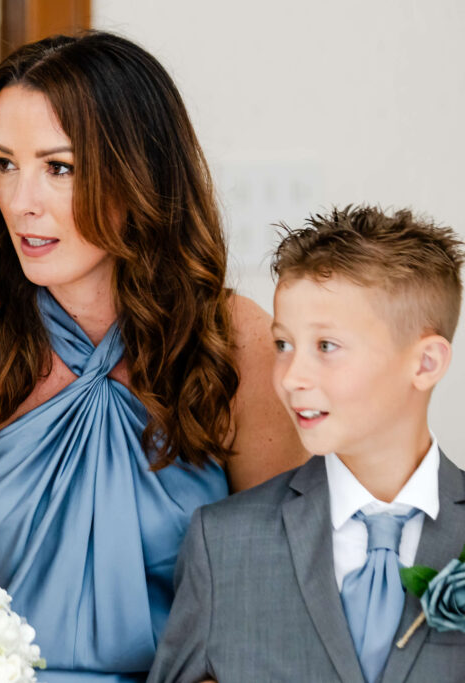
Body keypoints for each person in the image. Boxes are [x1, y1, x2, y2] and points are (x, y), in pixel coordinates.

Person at [0, 32, 306, 681]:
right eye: (5, 163)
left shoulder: (237, 341)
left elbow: (283, 587)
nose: (21, 200)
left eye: (60, 167)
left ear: (139, 170)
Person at [148, 206, 465, 683]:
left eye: (327, 346)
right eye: (283, 345)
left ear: (425, 364)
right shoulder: (224, 543)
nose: (292, 377)